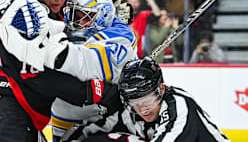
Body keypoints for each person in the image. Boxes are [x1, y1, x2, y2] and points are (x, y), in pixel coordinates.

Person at [0, 0, 118, 142]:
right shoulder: (34, 20)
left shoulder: (12, 10)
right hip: (7, 115)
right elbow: (46, 80)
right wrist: (98, 91)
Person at [64, 57, 230, 142]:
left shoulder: (179, 105)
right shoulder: (130, 114)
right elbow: (90, 130)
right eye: (135, 103)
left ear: (162, 90)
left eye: (148, 101)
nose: (143, 109)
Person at [47, 0, 137, 141]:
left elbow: (86, 64)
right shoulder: (69, 29)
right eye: (75, 15)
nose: (77, 22)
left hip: (100, 122)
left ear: (104, 17)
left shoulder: (120, 37)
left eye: (85, 17)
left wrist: (47, 50)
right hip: (63, 119)